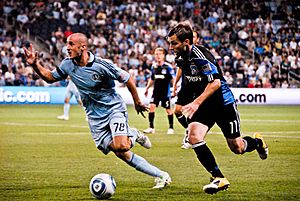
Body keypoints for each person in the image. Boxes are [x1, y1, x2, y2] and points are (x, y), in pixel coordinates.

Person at [23, 33, 171, 189]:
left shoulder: (102, 65)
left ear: (83, 47)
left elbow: (127, 79)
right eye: (67, 44)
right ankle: (161, 175)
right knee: (121, 153)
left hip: (113, 109)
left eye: (71, 44)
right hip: (95, 118)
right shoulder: (68, 64)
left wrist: (137, 102)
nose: (67, 48)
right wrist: (34, 64)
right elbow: (50, 77)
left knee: (122, 146)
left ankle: (134, 134)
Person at [167, 22, 268, 194]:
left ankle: (257, 142)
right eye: (170, 43)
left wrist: (195, 103)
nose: (171, 47)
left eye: (174, 43)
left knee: (238, 148)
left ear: (186, 42)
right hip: (205, 105)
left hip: (223, 103)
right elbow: (189, 80)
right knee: (194, 136)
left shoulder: (202, 56)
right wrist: (183, 100)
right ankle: (218, 177)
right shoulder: (180, 59)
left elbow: (215, 83)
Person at [172, 30, 200, 149]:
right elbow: (180, 69)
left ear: (197, 39)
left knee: (194, 114)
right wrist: (175, 84)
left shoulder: (200, 54)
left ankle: (191, 136)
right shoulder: (181, 55)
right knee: (177, 111)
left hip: (198, 88)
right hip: (185, 87)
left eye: (194, 37)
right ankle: (189, 130)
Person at [143, 47, 175, 134]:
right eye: (156, 54)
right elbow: (152, 79)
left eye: (160, 54)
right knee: (151, 107)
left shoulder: (168, 67)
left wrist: (175, 89)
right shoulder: (154, 66)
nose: (158, 56)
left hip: (165, 93)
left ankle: (171, 128)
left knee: (168, 110)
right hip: (155, 93)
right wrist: (147, 88)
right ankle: (151, 127)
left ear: (163, 55)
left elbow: (173, 79)